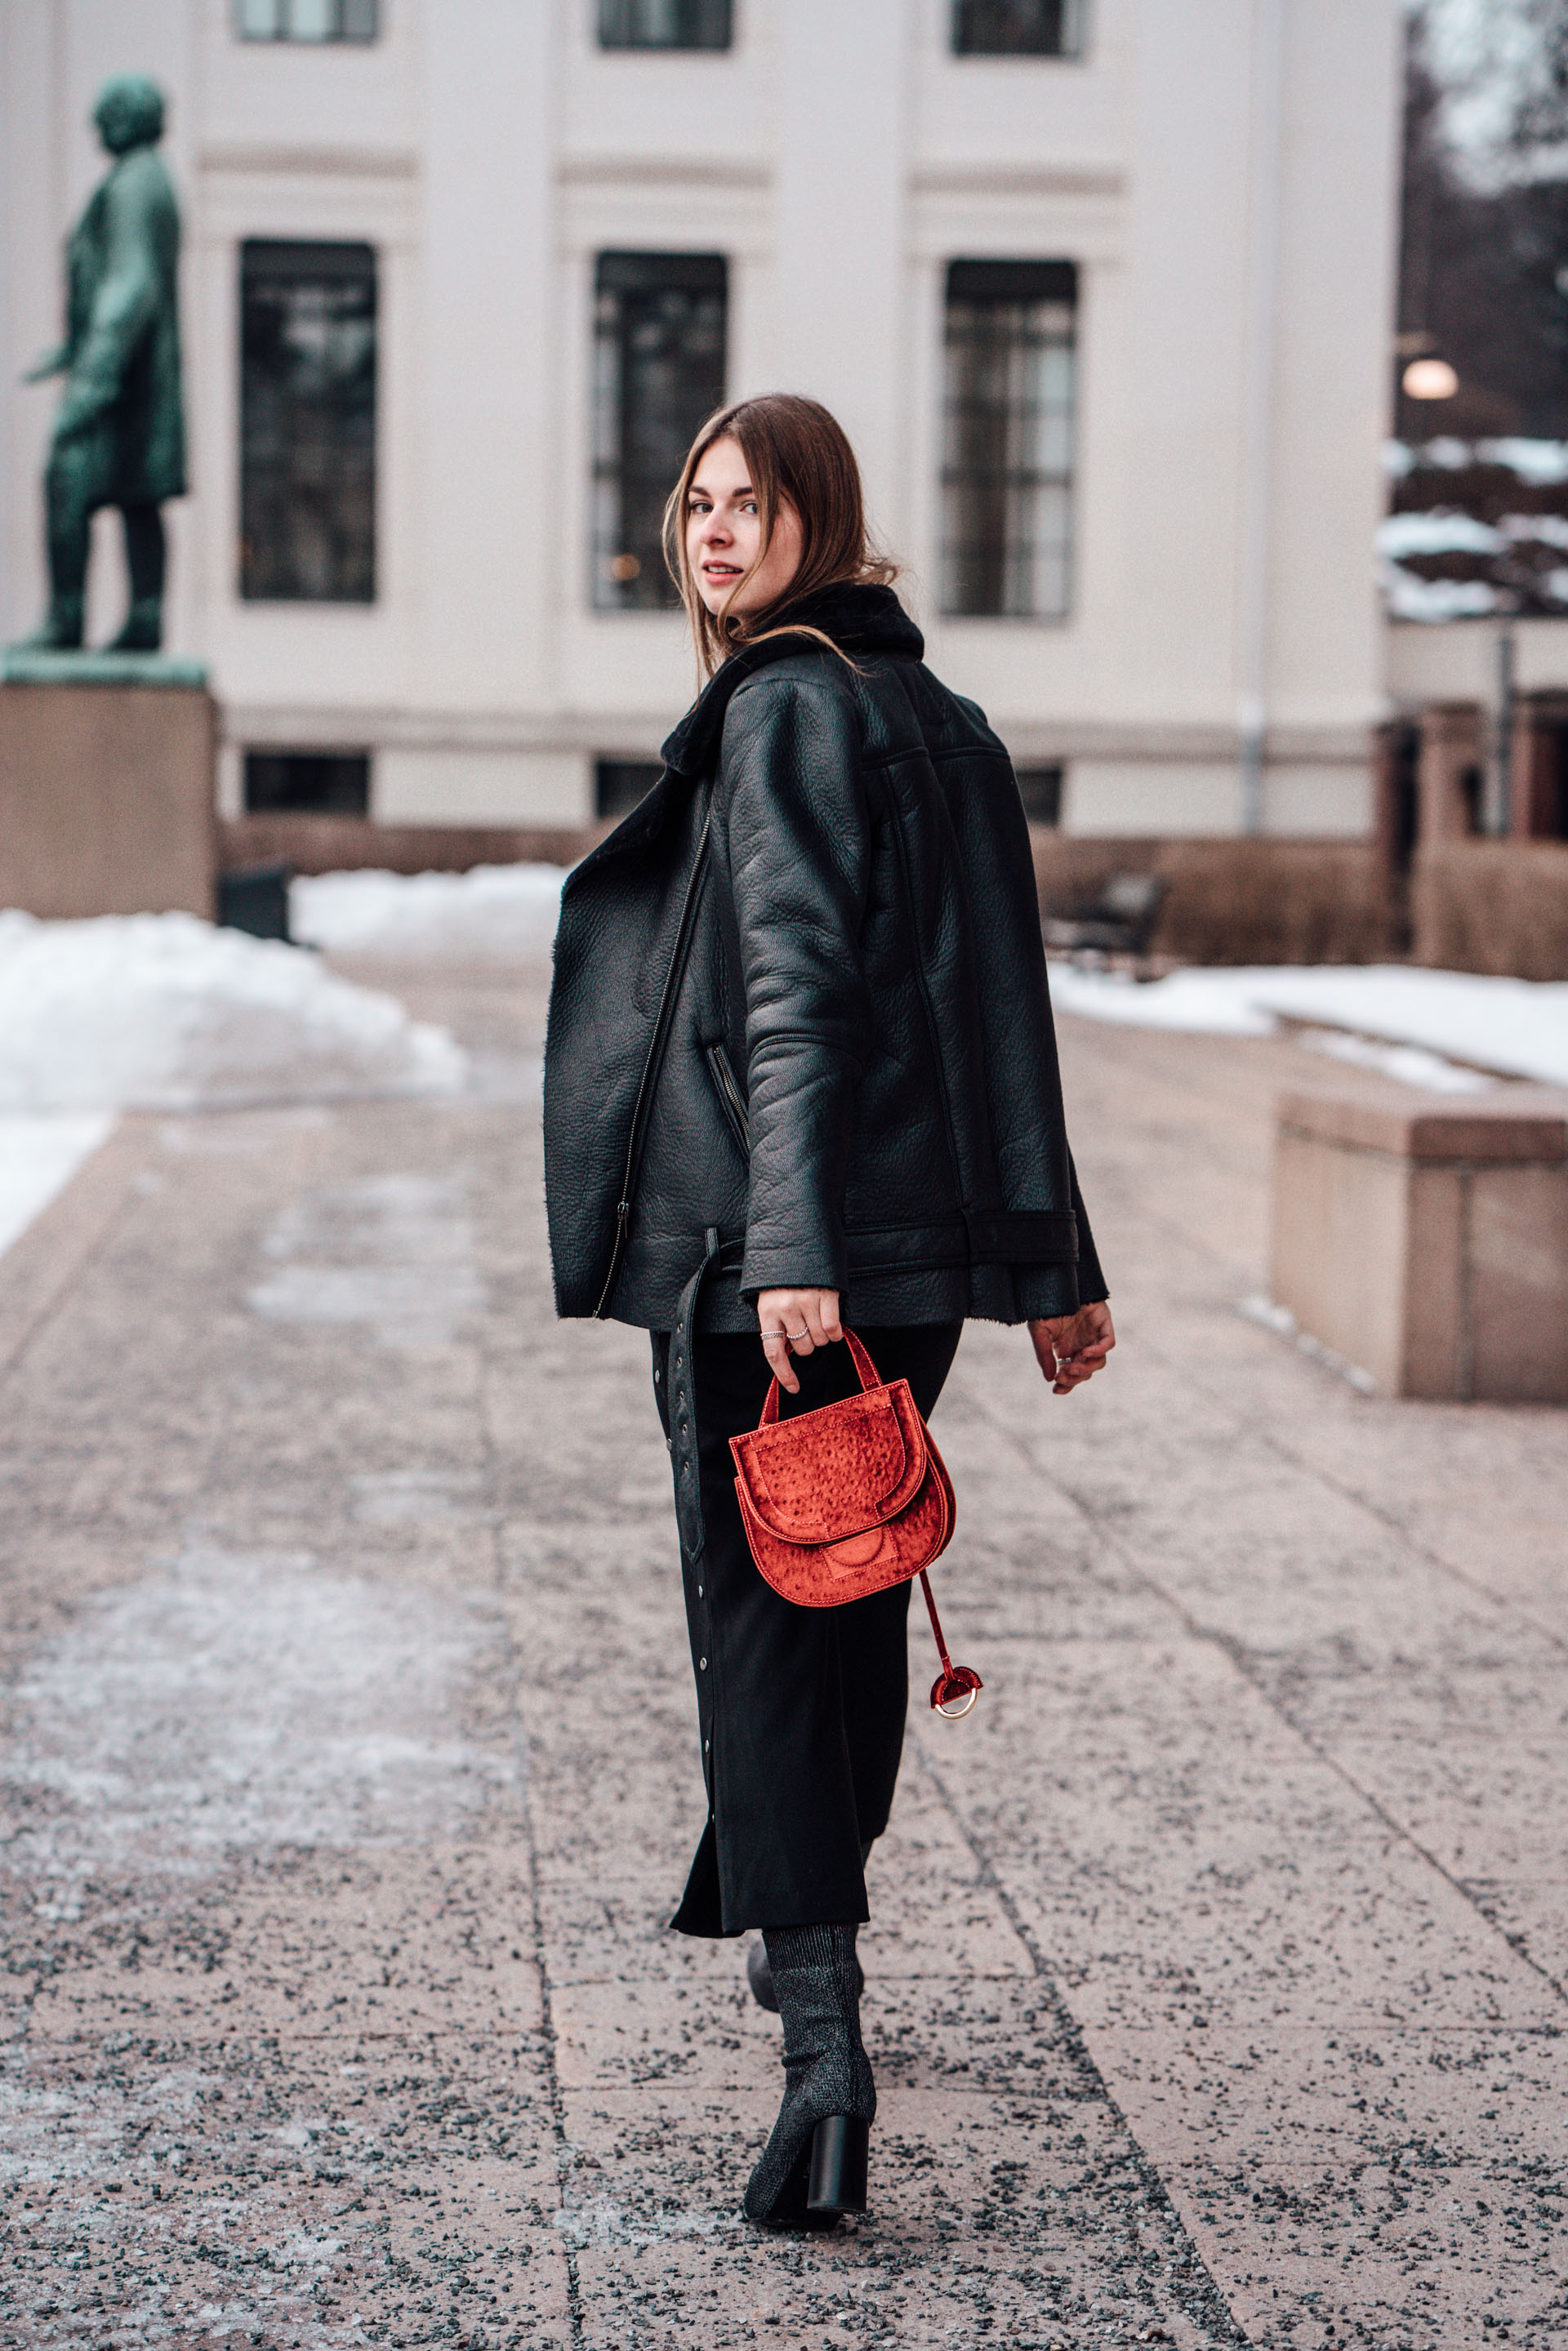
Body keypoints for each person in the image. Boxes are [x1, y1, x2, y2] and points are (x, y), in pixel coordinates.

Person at [543, 393, 1113, 2229]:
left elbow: (793, 989)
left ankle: (821, 2047)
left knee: (769, 1626)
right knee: (843, 1598)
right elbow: (997, 1001)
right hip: (899, 1253)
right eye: (697, 500)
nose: (714, 529)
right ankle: (806, 1944)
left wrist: (788, 1247)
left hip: (771, 1256)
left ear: (823, 517)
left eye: (752, 500)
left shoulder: (786, 702)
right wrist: (1055, 1261)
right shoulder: (934, 711)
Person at [15, 75, 185, 655]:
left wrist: (92, 375)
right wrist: (70, 350)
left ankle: (67, 620)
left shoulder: (134, 185)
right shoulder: (148, 180)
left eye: (106, 113)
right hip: (135, 372)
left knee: (68, 476)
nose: (95, 126)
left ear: (132, 118)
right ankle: (145, 616)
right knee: (139, 494)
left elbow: (130, 285)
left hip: (120, 375)